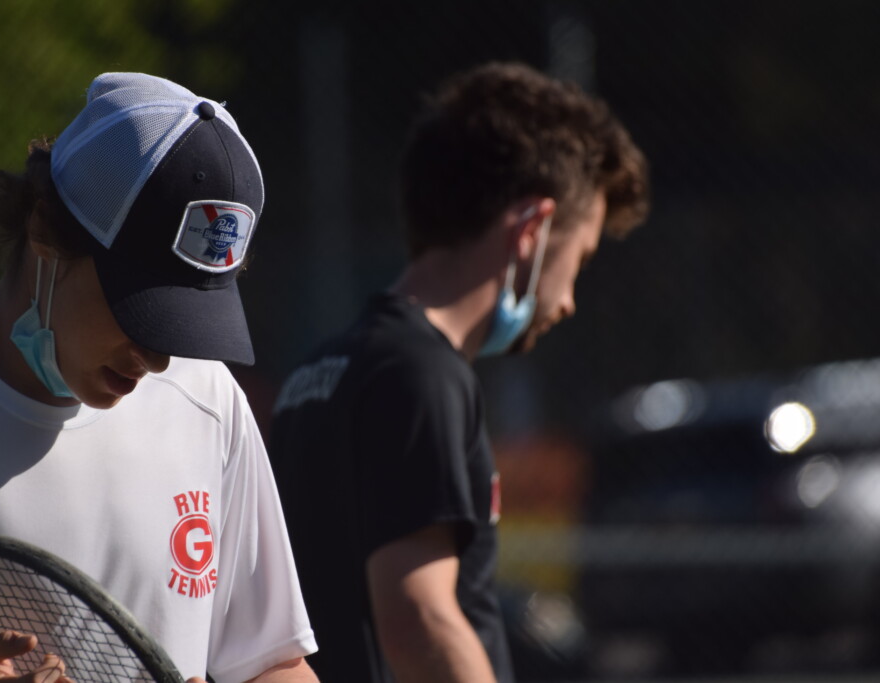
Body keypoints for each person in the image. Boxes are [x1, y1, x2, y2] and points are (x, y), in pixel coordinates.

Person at [0, 72, 319, 683]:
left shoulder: (209, 401)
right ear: (44, 229)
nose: (158, 359)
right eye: (140, 311)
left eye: (185, 325)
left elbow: (269, 664)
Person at [268, 61, 650, 682]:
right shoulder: (423, 375)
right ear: (531, 229)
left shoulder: (322, 369)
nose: (571, 300)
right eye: (579, 260)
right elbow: (420, 617)